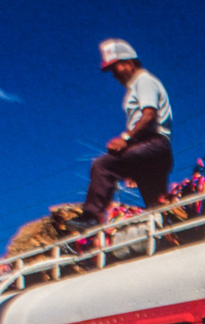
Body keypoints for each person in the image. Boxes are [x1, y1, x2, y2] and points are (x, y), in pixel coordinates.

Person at [64, 39, 174, 233]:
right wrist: (133, 164)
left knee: (103, 165)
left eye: (116, 67)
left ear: (129, 63)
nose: (114, 74)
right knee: (156, 205)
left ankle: (91, 217)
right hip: (149, 151)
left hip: (153, 145)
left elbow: (149, 115)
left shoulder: (144, 81)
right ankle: (174, 232)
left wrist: (126, 140)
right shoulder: (136, 87)